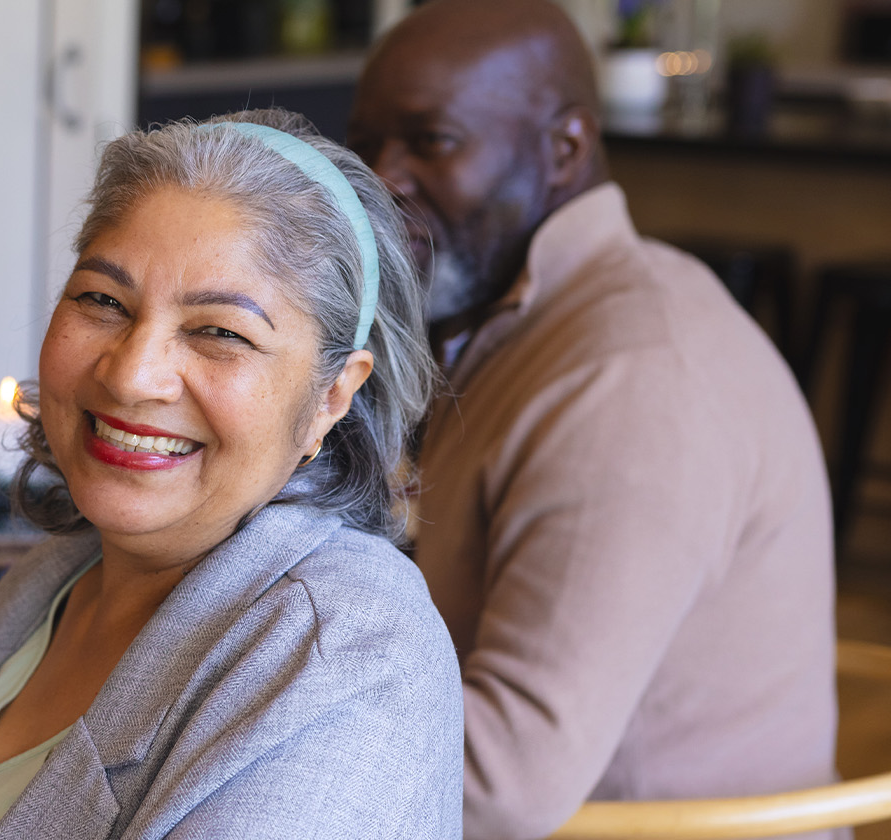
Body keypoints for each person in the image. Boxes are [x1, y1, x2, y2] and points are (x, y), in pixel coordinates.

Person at [0, 109, 461, 839]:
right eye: (102, 301)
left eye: (220, 332)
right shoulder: (54, 580)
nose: (132, 376)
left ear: (332, 396)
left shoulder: (346, 650)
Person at [347, 1, 841, 837]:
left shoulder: (633, 377)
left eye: (431, 140)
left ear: (564, 150)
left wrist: (248, 723)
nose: (378, 179)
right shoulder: (526, 316)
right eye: (366, 144)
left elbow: (505, 787)